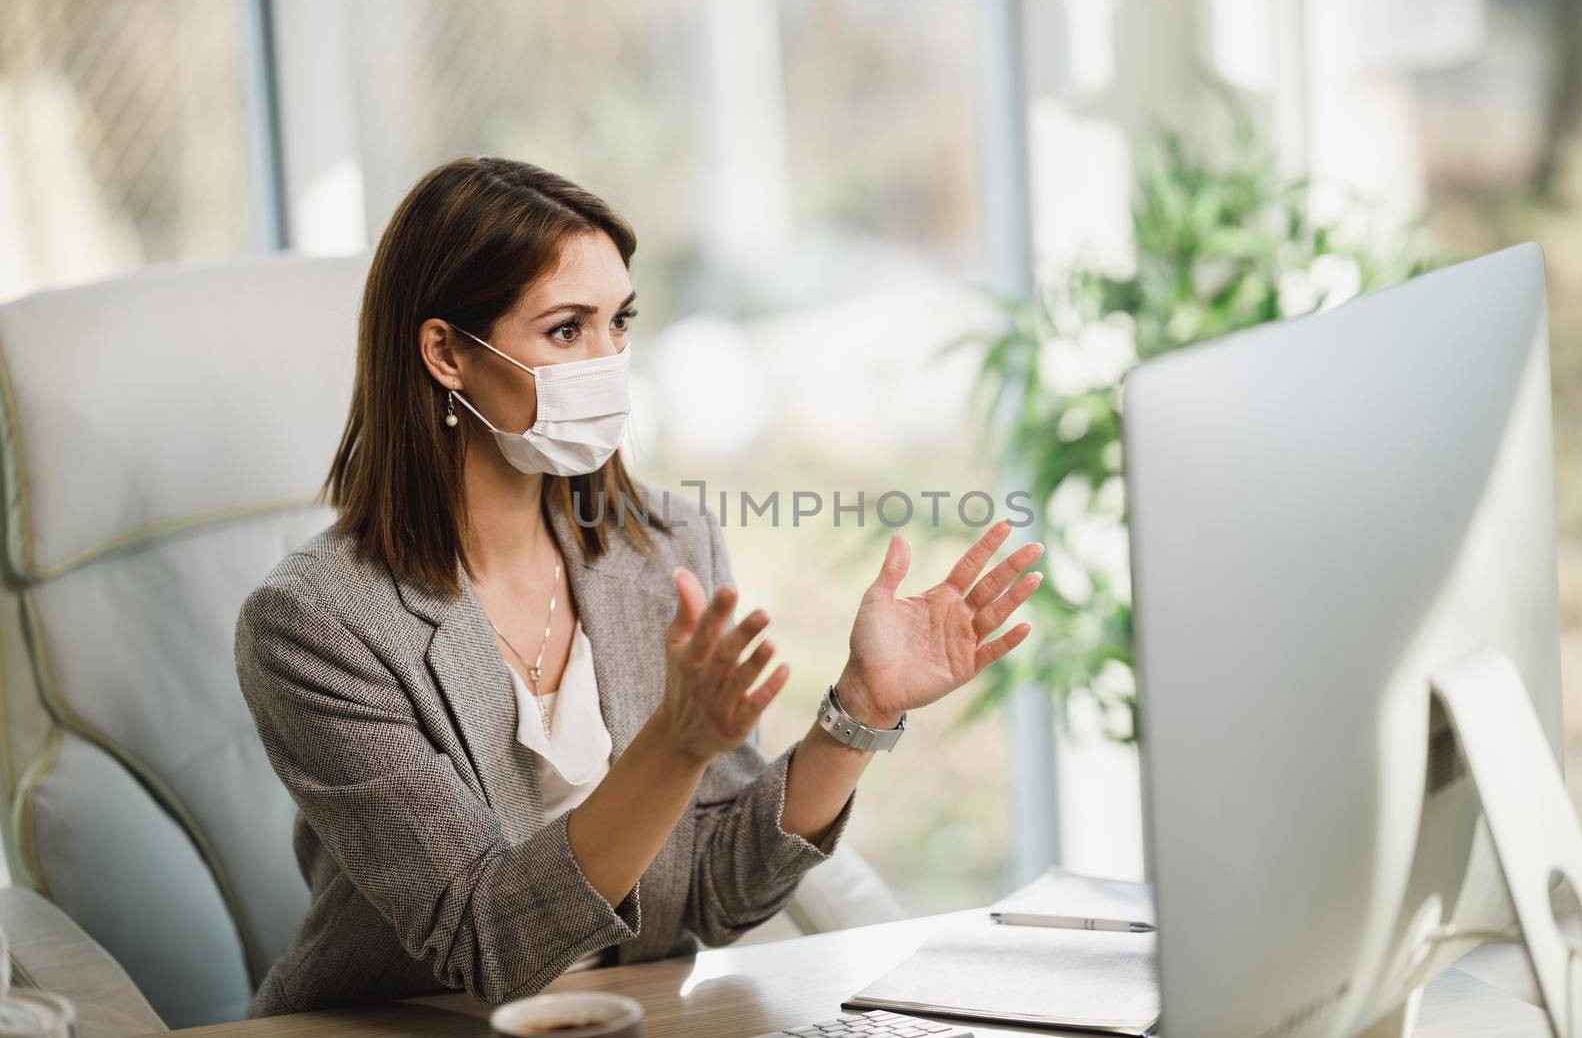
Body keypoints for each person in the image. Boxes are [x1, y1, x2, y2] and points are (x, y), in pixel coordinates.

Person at [234, 156, 1043, 1016]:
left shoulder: (666, 547)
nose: (608, 359)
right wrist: (675, 743)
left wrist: (862, 708)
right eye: (565, 329)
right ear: (446, 354)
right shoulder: (314, 624)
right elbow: (486, 941)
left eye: (619, 322)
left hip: (641, 1010)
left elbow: (720, 894)